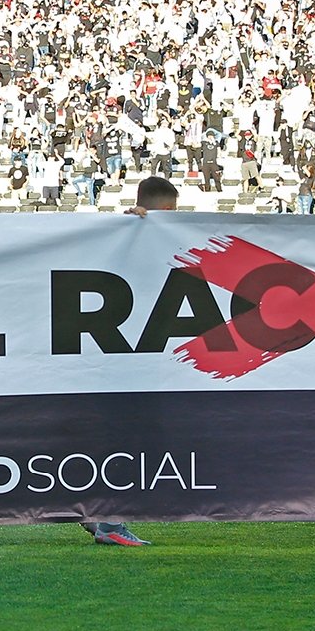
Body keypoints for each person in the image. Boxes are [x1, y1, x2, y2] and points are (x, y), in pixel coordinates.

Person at [80, 176, 180, 548]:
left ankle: (99, 515)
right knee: (126, 441)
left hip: (133, 358)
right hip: (124, 362)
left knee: (119, 440)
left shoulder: (167, 240)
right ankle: (109, 521)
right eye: (172, 212)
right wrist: (130, 225)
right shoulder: (126, 232)